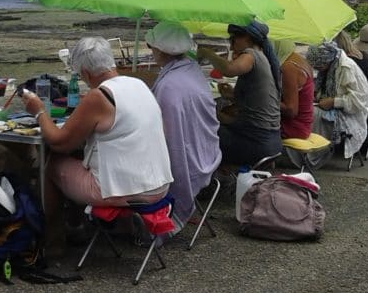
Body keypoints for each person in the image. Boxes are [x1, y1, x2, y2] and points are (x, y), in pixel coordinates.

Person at [21, 36, 173, 252]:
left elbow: (59, 142)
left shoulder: (99, 96)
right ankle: (82, 225)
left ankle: (53, 237)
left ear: (85, 73)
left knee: (54, 165)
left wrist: (39, 111)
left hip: (128, 192)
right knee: (77, 161)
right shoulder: (138, 85)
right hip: (159, 185)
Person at [145, 22, 221, 231]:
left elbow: (165, 138)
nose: (151, 52)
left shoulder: (169, 86)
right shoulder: (191, 69)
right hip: (208, 150)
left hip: (188, 162)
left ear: (160, 49)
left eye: (152, 47)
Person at [196, 20, 282, 167]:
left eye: (233, 39)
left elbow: (229, 69)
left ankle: (205, 181)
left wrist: (207, 53)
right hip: (270, 141)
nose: (231, 45)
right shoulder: (263, 59)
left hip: (256, 143)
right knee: (214, 119)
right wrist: (232, 95)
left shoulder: (252, 54)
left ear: (247, 37)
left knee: (199, 132)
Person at [305, 41, 368, 160]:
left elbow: (361, 101)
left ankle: (312, 155)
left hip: (349, 114)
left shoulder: (346, 68)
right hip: (329, 106)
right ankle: (306, 151)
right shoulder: (328, 67)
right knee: (305, 109)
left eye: (319, 66)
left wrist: (334, 101)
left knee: (312, 114)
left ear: (327, 61)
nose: (317, 68)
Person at [273, 39, 314, 139]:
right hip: (303, 125)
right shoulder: (298, 59)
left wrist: (263, 100)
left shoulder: (288, 67)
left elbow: (291, 110)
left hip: (294, 127)